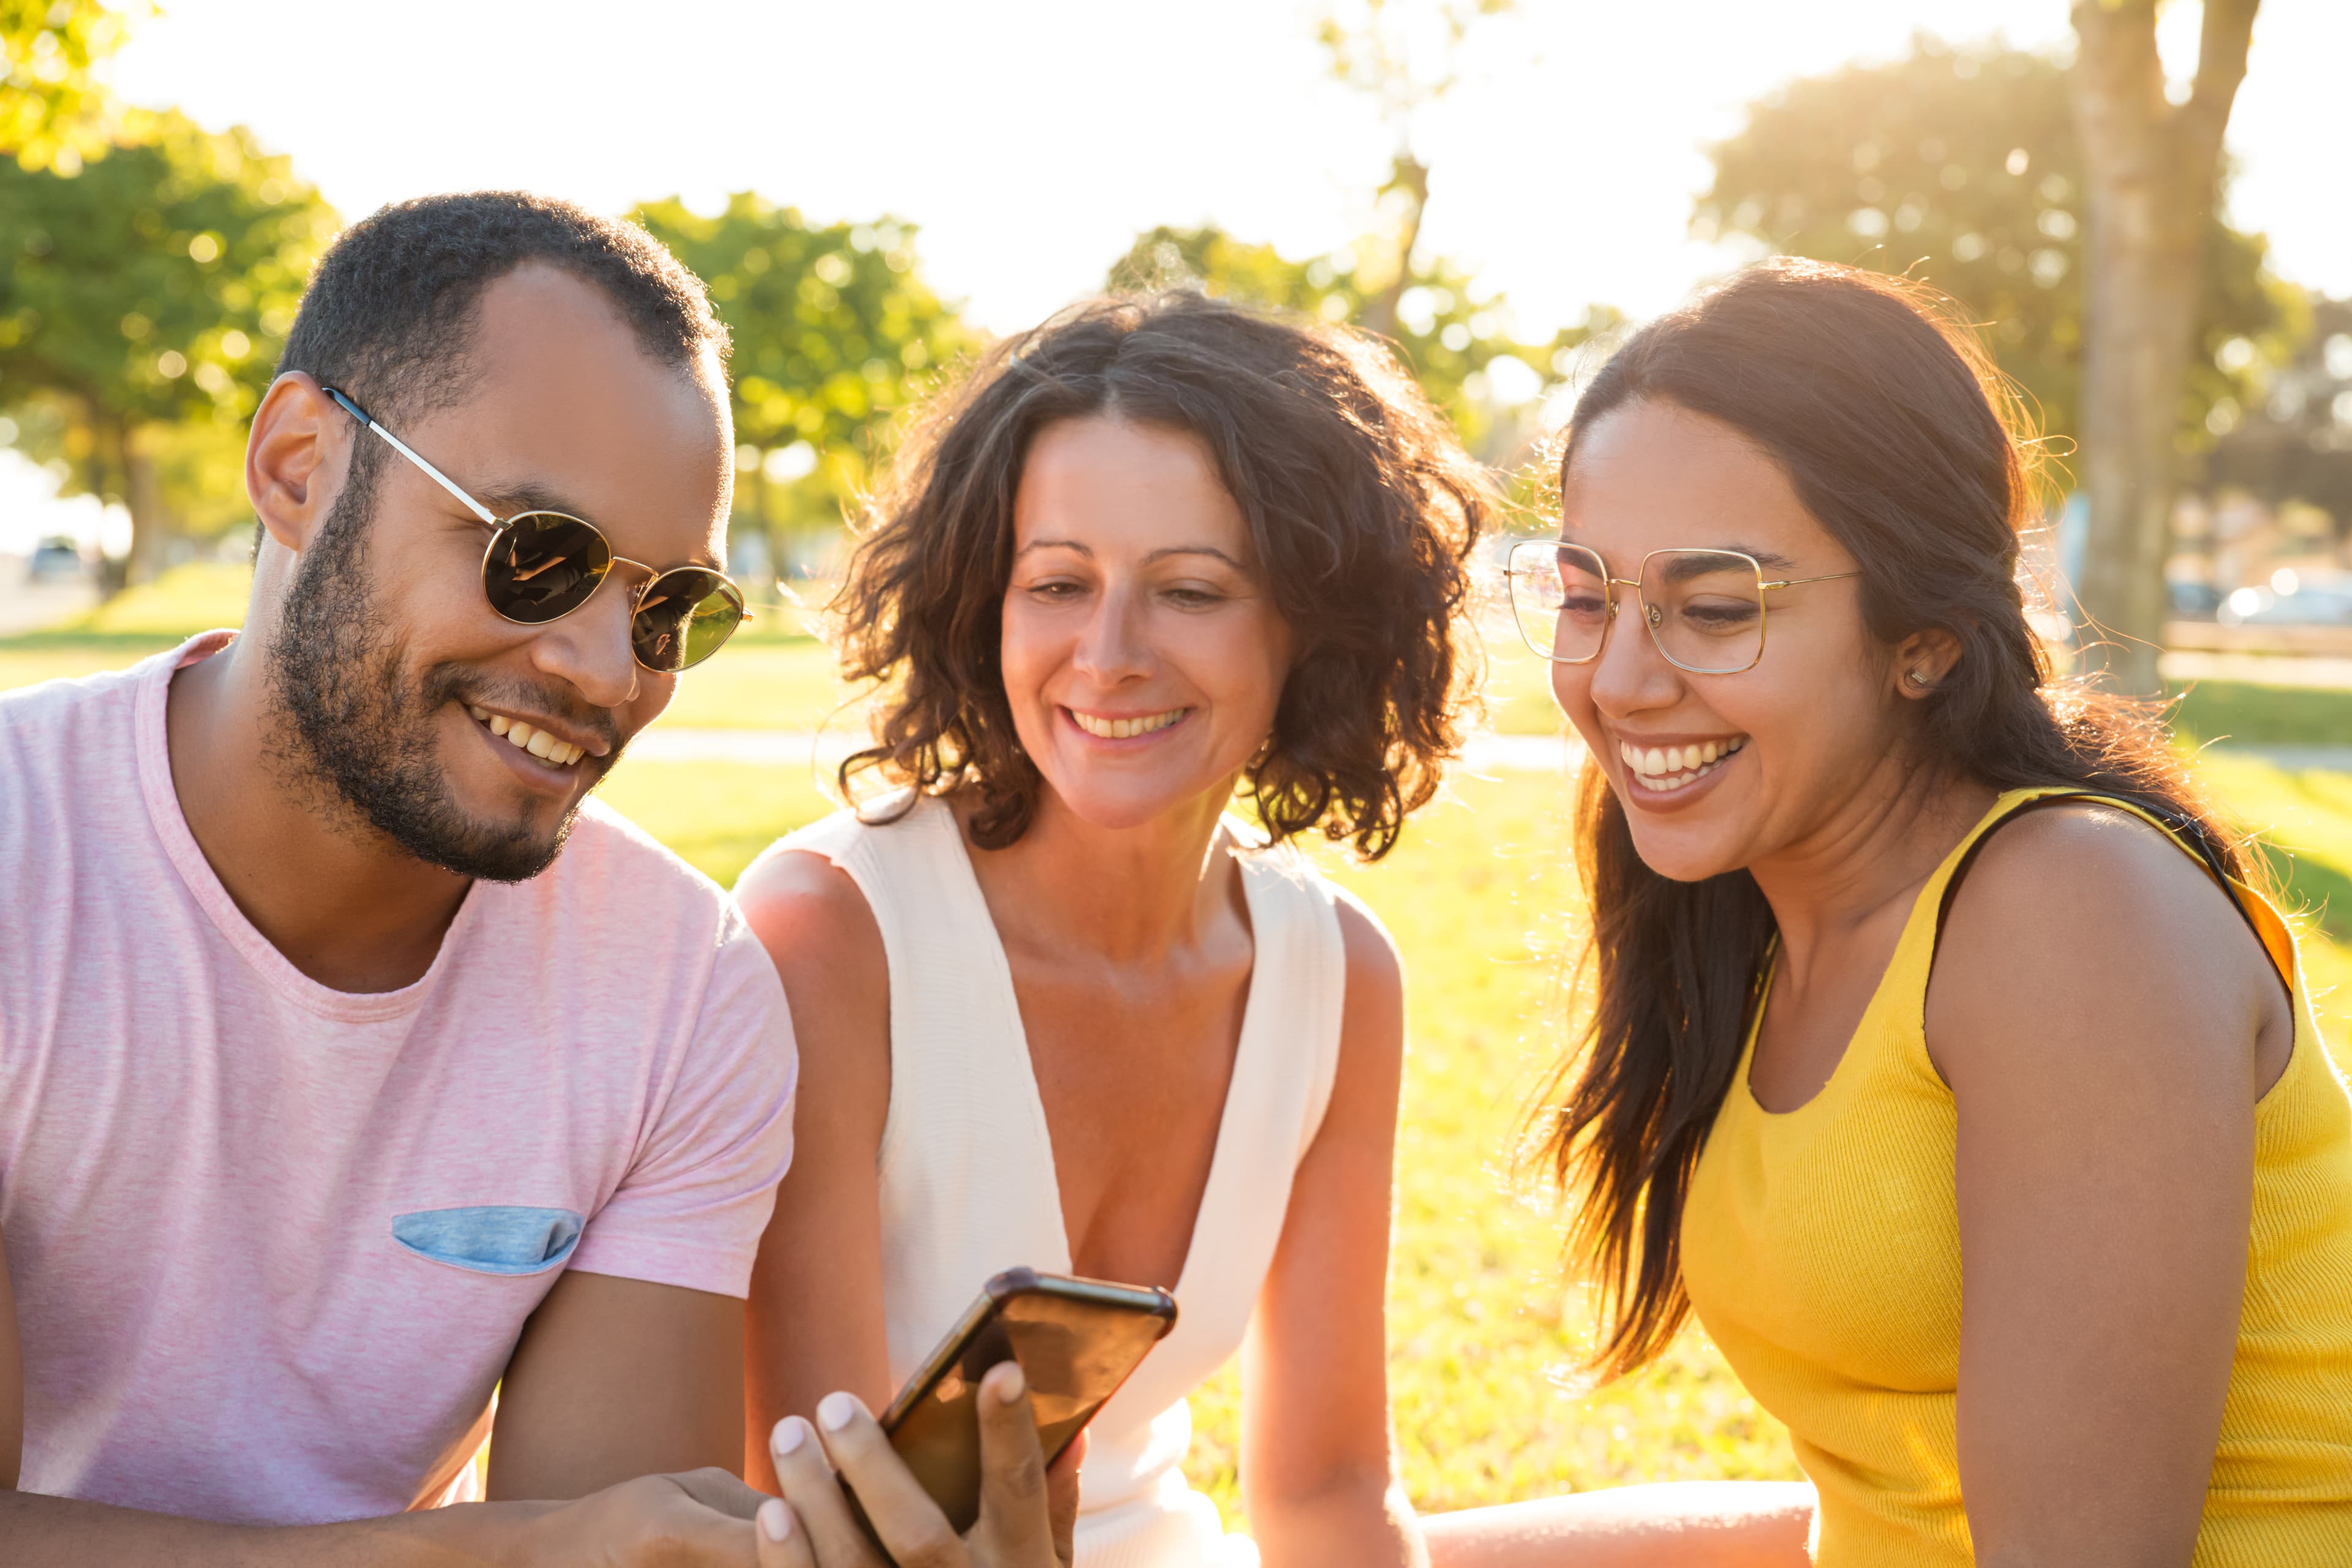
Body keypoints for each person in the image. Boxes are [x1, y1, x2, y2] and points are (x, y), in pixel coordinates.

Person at [0, 190, 1058, 1568]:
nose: (607, 669)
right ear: (301, 465)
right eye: (536, 556)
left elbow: (609, 1544)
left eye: (674, 607)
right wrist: (481, 1550)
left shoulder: (680, 989)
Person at [1469, 258, 2352, 1566]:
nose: (1620, 676)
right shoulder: (1754, 913)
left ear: (1923, 634)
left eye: (1716, 609)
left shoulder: (2072, 912)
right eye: (1588, 594)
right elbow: (1887, 1510)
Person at [735, 290, 1488, 1567]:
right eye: (1059, 583)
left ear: (1313, 623)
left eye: (1191, 589)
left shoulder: (1337, 973)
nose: (1110, 652)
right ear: (987, 606)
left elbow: (1330, 1492)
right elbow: (826, 1518)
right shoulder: (831, 936)